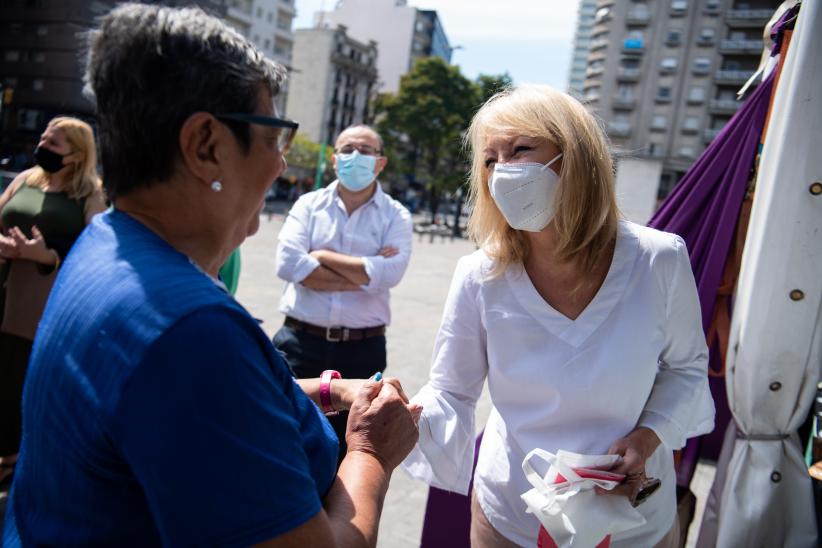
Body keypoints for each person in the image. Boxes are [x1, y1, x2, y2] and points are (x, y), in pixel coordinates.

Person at [2, 5, 420, 546]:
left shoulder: (105, 244)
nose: (279, 165)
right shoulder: (190, 330)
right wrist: (368, 452)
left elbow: (199, 406)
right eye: (275, 135)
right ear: (206, 147)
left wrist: (325, 392)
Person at [402, 85, 715, 547]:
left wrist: (650, 436)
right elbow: (451, 389)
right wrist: (400, 420)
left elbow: (686, 368)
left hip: (634, 518)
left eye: (521, 149)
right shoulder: (479, 274)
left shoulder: (658, 259)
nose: (503, 170)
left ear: (575, 157)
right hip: (512, 515)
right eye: (490, 160)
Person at [273, 124, 413, 460]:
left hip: (362, 350)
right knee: (284, 438)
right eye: (348, 149)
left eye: (365, 151)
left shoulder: (396, 215)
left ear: (380, 163)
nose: (355, 156)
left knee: (350, 448)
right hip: (299, 344)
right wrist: (367, 273)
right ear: (334, 159)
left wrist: (319, 259)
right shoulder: (308, 205)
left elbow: (390, 273)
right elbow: (288, 265)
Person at [0, 116, 106, 490]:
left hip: (43, 302)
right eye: (44, 138)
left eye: (54, 143)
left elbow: (95, 253)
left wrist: (46, 256)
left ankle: (14, 461)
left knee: (20, 380)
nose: (43, 146)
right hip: (5, 286)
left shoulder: (91, 194)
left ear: (77, 155)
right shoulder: (24, 180)